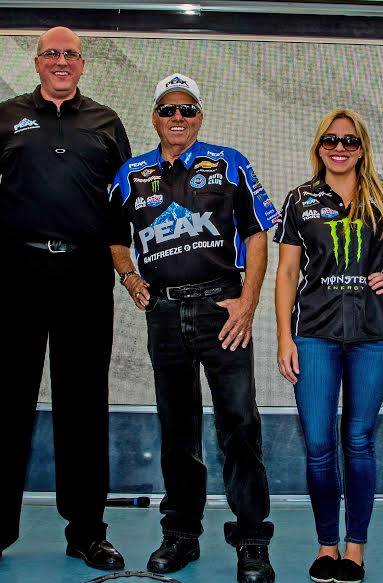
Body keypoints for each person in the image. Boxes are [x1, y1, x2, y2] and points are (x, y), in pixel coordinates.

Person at [0, 26, 131, 576]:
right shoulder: (7, 116)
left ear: (83, 65)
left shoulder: (106, 122)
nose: (61, 61)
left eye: (70, 55)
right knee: (7, 401)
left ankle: (87, 532)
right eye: (52, 54)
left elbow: (129, 200)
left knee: (84, 404)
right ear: (37, 63)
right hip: (16, 269)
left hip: (85, 273)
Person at [109, 73, 279, 583]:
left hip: (221, 312)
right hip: (163, 314)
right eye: (167, 109)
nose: (177, 117)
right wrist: (129, 276)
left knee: (239, 428)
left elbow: (255, 236)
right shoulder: (131, 173)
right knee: (177, 432)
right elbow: (116, 238)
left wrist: (247, 303)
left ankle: (251, 541)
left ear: (200, 116)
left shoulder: (229, 163)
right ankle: (181, 534)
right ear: (155, 117)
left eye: (186, 109)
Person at [274, 108, 383, 583]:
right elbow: (286, 273)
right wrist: (285, 337)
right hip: (314, 335)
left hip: (374, 337)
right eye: (331, 140)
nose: (340, 148)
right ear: (318, 146)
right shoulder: (300, 200)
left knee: (359, 441)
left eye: (349, 141)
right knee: (320, 445)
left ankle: (355, 549)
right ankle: (327, 547)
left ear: (362, 147)